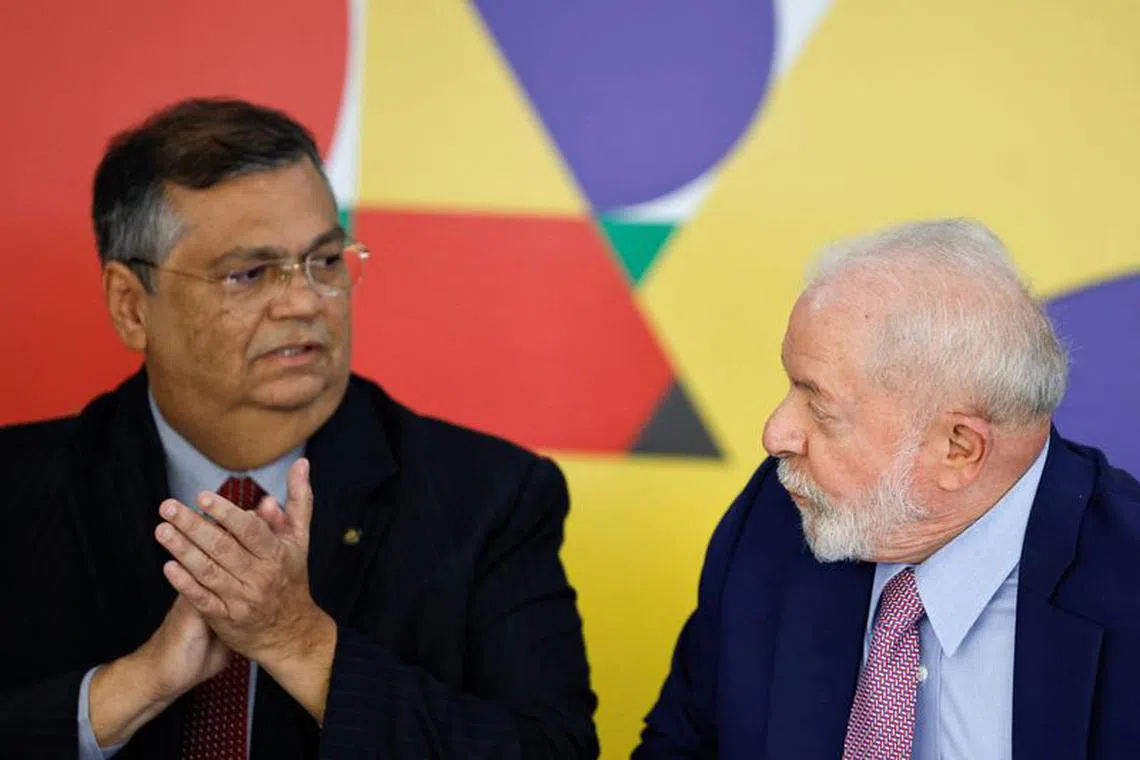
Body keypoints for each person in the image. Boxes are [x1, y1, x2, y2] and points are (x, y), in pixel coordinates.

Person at [0, 98, 598, 759]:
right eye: (250, 274)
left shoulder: (488, 500)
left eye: (326, 261)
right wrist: (128, 690)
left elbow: (555, 752)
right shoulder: (18, 490)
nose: (306, 301)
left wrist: (302, 646)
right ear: (131, 306)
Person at [634, 219, 1140, 759]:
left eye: (820, 408)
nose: (775, 434)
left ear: (958, 449)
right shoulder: (774, 519)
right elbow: (682, 747)